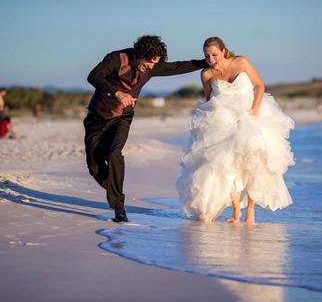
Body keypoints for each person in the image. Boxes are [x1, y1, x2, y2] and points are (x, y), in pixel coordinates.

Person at [85, 35, 207, 223]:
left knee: (114, 153)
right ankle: (115, 190)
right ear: (141, 54)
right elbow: (94, 76)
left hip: (123, 118)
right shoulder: (117, 58)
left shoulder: (152, 65)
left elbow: (178, 67)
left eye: (155, 64)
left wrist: (205, 62)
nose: (151, 67)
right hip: (97, 118)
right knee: (94, 166)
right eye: (149, 62)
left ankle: (119, 207)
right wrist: (117, 93)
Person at [177, 37, 295, 224]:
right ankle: (235, 212)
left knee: (255, 161)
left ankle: (250, 211)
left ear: (223, 51)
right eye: (207, 56)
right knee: (227, 165)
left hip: (251, 115)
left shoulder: (240, 62)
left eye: (214, 54)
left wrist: (254, 110)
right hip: (223, 121)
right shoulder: (206, 74)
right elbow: (209, 100)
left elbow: (259, 86)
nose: (211, 59)